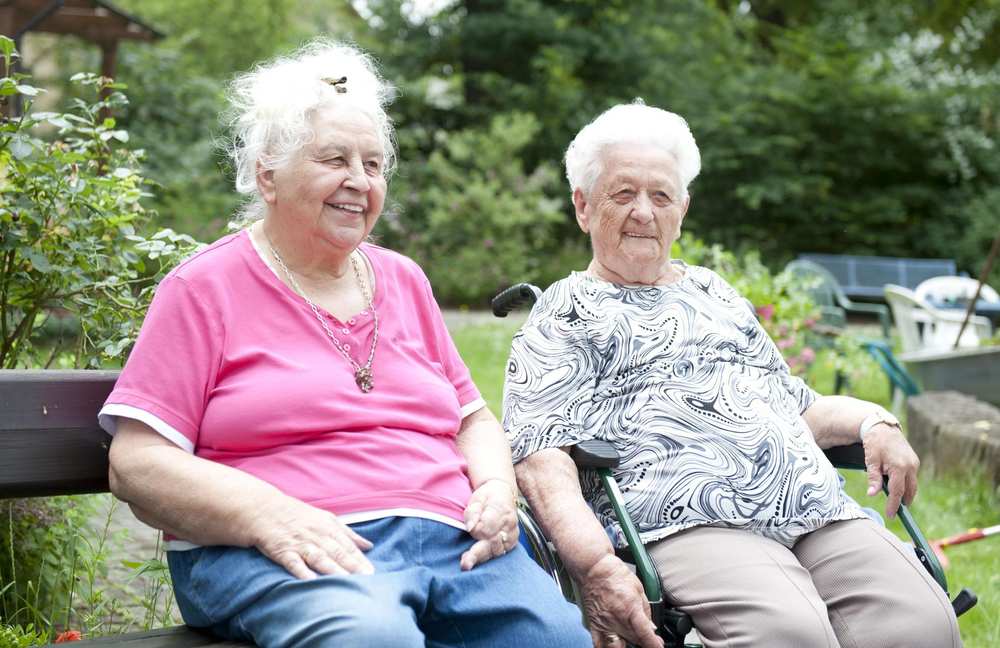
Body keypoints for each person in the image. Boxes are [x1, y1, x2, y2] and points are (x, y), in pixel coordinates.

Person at [100, 40, 590, 648]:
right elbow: (136, 462)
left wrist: (494, 486)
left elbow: (473, 418)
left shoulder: (404, 280)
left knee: (555, 636)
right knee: (372, 637)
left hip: (449, 542)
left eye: (375, 165)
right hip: (291, 545)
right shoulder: (204, 287)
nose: (359, 181)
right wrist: (269, 516)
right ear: (267, 174)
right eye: (334, 159)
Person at [502, 102, 963, 648]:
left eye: (661, 196)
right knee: (790, 634)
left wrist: (876, 423)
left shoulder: (714, 292)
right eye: (623, 195)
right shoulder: (565, 313)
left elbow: (798, 405)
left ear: (683, 208)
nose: (644, 212)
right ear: (583, 206)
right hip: (686, 520)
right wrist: (596, 566)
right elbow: (539, 458)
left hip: (809, 505)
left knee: (923, 625)